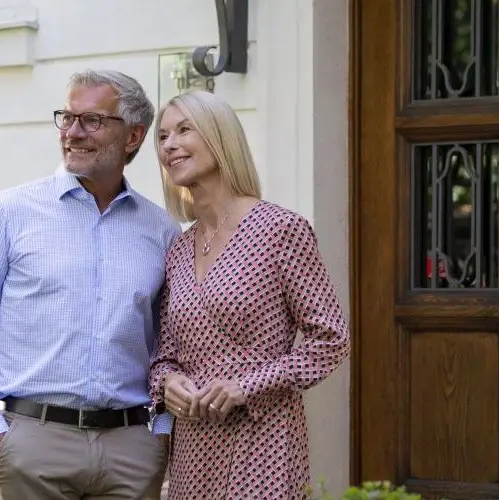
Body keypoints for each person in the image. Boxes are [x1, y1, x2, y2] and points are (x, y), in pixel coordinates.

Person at [0, 69, 181, 499]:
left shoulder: (161, 231)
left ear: (133, 136)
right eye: (66, 118)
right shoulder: (8, 213)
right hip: (32, 444)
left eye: (92, 120)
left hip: (131, 451)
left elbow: (173, 346)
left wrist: (160, 435)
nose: (73, 132)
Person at [147, 90, 351, 499]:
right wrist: (168, 384)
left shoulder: (280, 229)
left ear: (220, 137)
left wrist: (248, 385)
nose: (169, 144)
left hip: (265, 443)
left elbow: (331, 338)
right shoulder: (178, 250)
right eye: (163, 136)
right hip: (193, 450)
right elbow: (164, 356)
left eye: (184, 130)